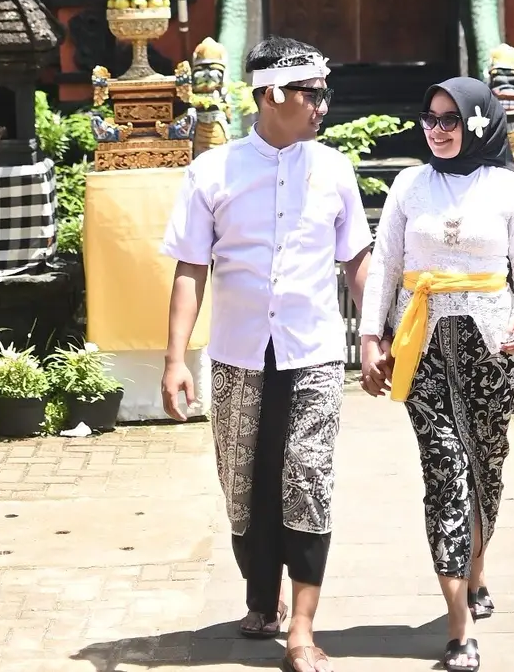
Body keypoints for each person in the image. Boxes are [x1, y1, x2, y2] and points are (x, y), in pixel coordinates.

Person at [161, 36, 371, 672]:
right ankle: (262, 597)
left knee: (307, 478)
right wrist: (175, 360)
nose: (323, 106)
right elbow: (190, 268)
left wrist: (375, 335)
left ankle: (303, 626)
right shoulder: (211, 173)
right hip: (238, 353)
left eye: (325, 93)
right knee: (243, 483)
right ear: (273, 95)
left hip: (314, 352)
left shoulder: (333, 169)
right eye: (313, 94)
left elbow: (356, 261)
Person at [359, 77, 514, 672]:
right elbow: (385, 263)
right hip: (422, 342)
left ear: (478, 122)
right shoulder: (409, 185)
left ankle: (477, 569)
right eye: (430, 119)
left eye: (450, 119)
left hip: (491, 345)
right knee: (444, 470)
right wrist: (369, 336)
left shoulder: (507, 186)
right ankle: (458, 626)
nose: (436, 130)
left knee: (486, 464)